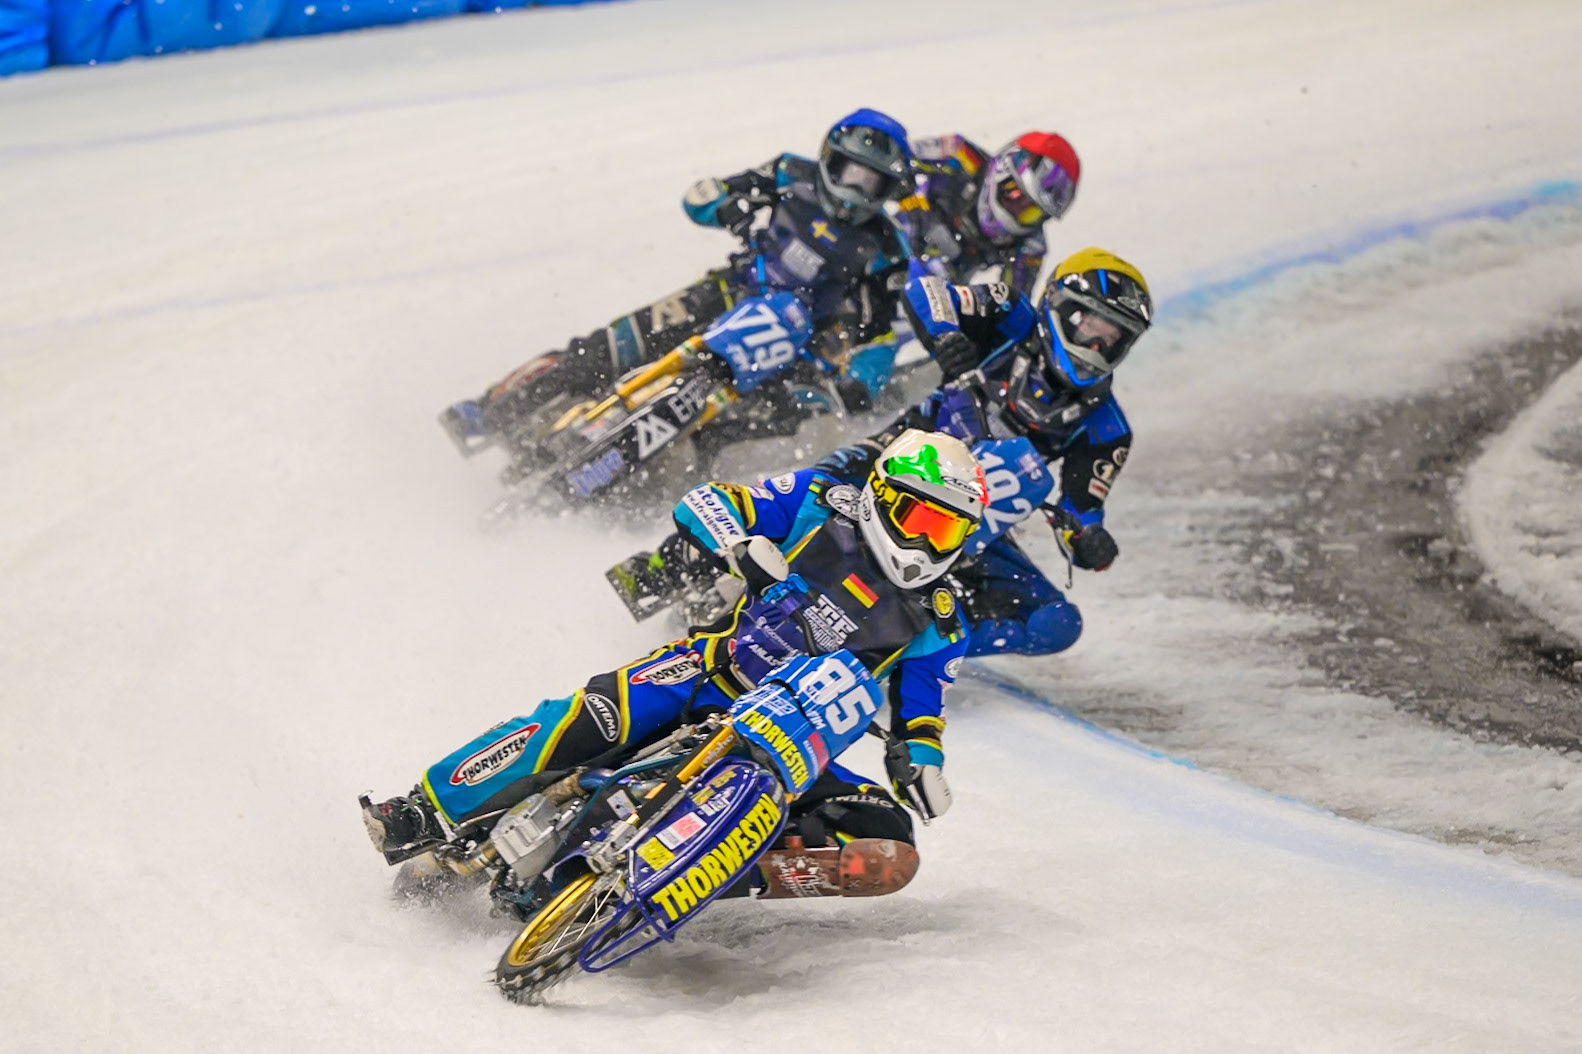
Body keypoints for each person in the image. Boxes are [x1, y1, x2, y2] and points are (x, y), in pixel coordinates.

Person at [364, 430, 988, 894]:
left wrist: (921, 764)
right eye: (922, 518)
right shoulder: (821, 501)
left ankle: (677, 882)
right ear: (882, 495)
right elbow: (706, 502)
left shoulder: (941, 618)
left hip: (794, 747)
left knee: (885, 839)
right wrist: (740, 546)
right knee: (588, 719)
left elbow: (922, 714)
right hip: (712, 672)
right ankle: (421, 810)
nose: (930, 541)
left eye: (949, 531)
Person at [441, 108, 917, 461]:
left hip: (791, 343)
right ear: (828, 159)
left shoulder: (886, 247)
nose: (855, 189)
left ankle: (655, 486)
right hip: (726, 292)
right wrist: (727, 206)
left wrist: (861, 384)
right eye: (849, 172)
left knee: (767, 429)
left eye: (872, 184)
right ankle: (490, 412)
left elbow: (879, 333)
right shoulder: (789, 173)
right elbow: (700, 195)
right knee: (609, 348)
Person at [905, 131, 1081, 293]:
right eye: (1015, 193)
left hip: (934, 294)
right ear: (1002, 172)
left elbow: (1014, 308)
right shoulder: (959, 154)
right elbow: (895, 158)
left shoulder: (1031, 244)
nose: (1018, 210)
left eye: (1032, 213)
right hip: (891, 237)